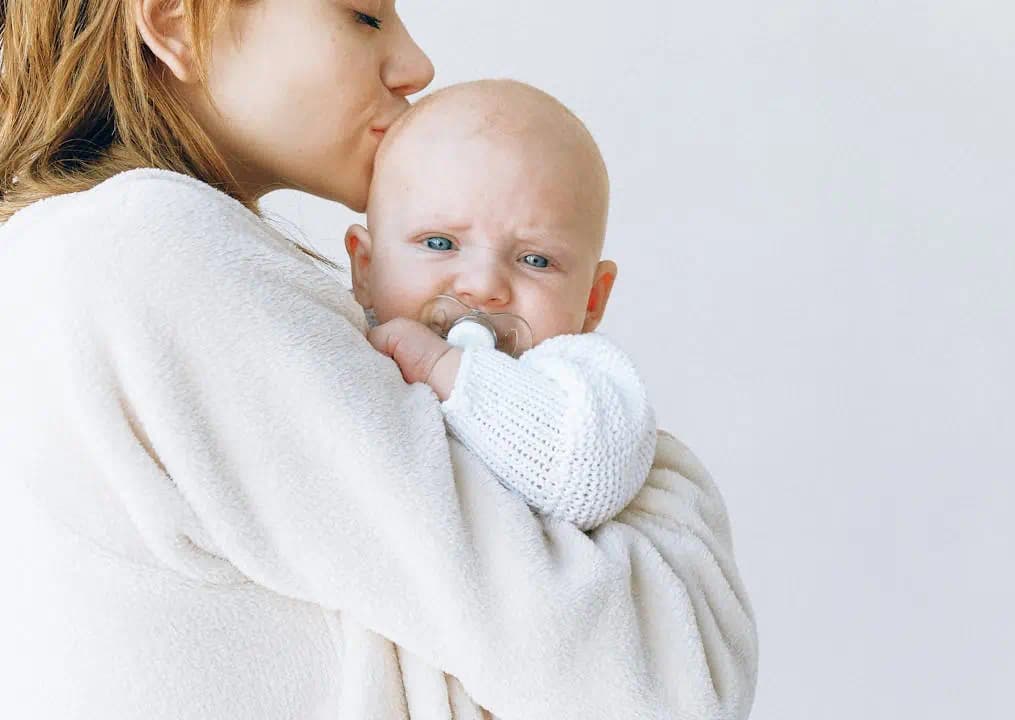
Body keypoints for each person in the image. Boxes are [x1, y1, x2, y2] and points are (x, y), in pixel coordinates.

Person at [0, 2, 758, 719]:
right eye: (362, 14)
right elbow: (663, 682)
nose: (416, 64)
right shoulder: (150, 252)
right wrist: (665, 484)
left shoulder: (75, 258)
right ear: (172, 18)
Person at [351, 79, 657, 532]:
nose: (483, 286)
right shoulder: (340, 343)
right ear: (365, 268)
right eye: (440, 243)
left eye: (536, 260)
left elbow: (589, 476)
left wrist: (441, 367)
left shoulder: (584, 380)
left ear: (593, 300)